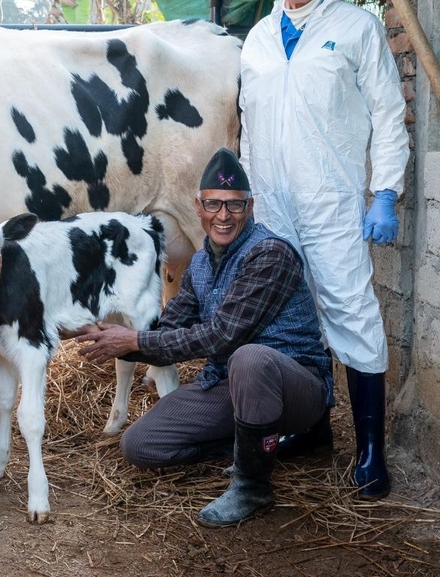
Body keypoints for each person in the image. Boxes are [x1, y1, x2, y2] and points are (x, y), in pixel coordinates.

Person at [238, 0, 409, 499]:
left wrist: (384, 192)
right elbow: (249, 128)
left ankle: (369, 452)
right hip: (273, 210)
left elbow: (388, 114)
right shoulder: (257, 39)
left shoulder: (355, 29)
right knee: (292, 320)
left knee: (352, 316)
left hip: (331, 203)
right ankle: (310, 429)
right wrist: (247, 203)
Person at [76, 148, 333, 526]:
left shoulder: (269, 254)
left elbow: (221, 337)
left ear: (250, 207)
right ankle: (253, 446)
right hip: (231, 386)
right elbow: (167, 333)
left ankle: (252, 485)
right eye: (213, 204)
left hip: (293, 386)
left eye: (234, 205)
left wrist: (134, 342)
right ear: (198, 206)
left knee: (250, 357)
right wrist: (101, 333)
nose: (223, 216)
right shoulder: (198, 263)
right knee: (140, 445)